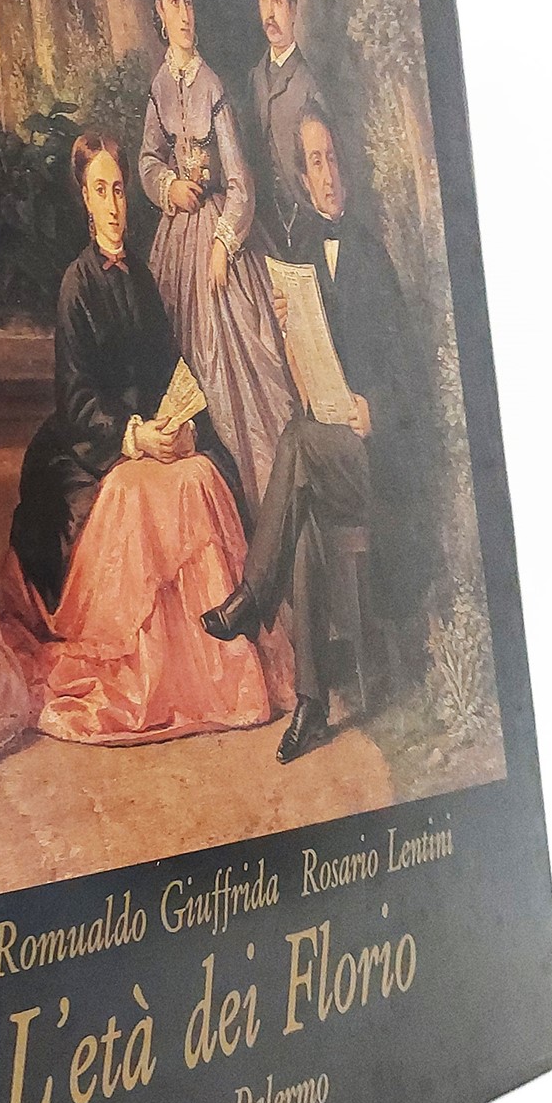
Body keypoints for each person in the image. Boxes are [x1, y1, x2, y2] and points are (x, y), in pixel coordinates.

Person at [9, 135, 289, 746]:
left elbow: (169, 372)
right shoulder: (76, 283)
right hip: (94, 447)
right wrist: (134, 437)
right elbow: (77, 400)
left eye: (119, 190)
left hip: (154, 431)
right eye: (100, 191)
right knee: (140, 495)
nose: (114, 205)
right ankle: (156, 678)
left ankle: (215, 671)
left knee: (203, 476)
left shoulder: (141, 278)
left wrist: (181, 427)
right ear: (84, 200)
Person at [203, 109, 412, 763]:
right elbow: (308, 379)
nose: (327, 174)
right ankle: (311, 705)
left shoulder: (372, 256)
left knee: (294, 442)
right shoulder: (304, 257)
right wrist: (291, 335)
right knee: (304, 513)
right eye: (314, 162)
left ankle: (252, 594)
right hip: (329, 455)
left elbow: (410, 375)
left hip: (373, 455)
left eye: (332, 159)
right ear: (301, 174)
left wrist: (374, 407)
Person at [136, 0, 300, 504]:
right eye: (174, 2)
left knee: (242, 377)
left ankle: (258, 509)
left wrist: (223, 243)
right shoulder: (159, 87)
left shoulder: (213, 86)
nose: (186, 13)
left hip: (216, 240)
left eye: (189, 0)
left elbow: (241, 185)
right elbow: (146, 160)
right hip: (173, 247)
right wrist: (168, 187)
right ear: (159, 13)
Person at [245, 0, 327, 247]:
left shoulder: (310, 86)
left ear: (292, 8)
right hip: (264, 233)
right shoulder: (254, 79)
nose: (269, 13)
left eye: (277, 0)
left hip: (307, 235)